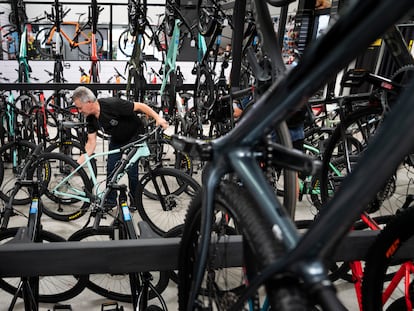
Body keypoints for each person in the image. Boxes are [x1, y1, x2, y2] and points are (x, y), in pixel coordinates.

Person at [72, 86, 169, 208]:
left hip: (134, 136)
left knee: (132, 172)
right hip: (117, 139)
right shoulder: (91, 119)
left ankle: (135, 201)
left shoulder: (112, 104)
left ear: (89, 102)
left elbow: (140, 106)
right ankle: (110, 201)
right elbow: (91, 144)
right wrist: (76, 164)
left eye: (80, 107)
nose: (79, 111)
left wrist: (158, 118)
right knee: (111, 170)